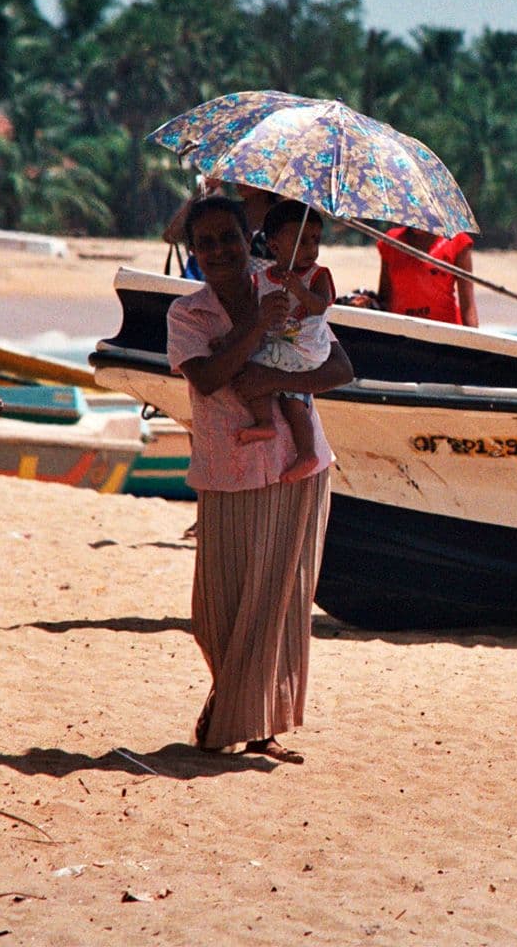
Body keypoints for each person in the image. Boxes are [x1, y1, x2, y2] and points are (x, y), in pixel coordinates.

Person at [166, 195, 353, 763]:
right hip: (228, 469)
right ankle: (233, 704)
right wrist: (255, 330)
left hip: (298, 466)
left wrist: (270, 375)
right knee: (216, 609)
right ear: (194, 252)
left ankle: (257, 727)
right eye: (208, 242)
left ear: (248, 238)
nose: (220, 249)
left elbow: (340, 368)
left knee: (279, 604)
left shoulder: (282, 284)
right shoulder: (187, 315)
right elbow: (209, 379)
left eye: (229, 237)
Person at [231, 200, 336, 482]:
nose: (311, 249)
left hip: (305, 348)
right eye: (302, 241)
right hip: (280, 345)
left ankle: (301, 449)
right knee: (285, 393)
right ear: (274, 246)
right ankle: (273, 427)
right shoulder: (261, 278)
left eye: (315, 240)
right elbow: (252, 316)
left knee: (259, 371)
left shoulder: (318, 276)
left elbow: (319, 307)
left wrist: (300, 292)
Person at [374, 226, 479, 326]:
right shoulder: (391, 241)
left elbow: (468, 307)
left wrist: (473, 341)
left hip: (445, 332)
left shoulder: (457, 241)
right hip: (400, 332)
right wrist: (367, 303)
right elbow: (384, 298)